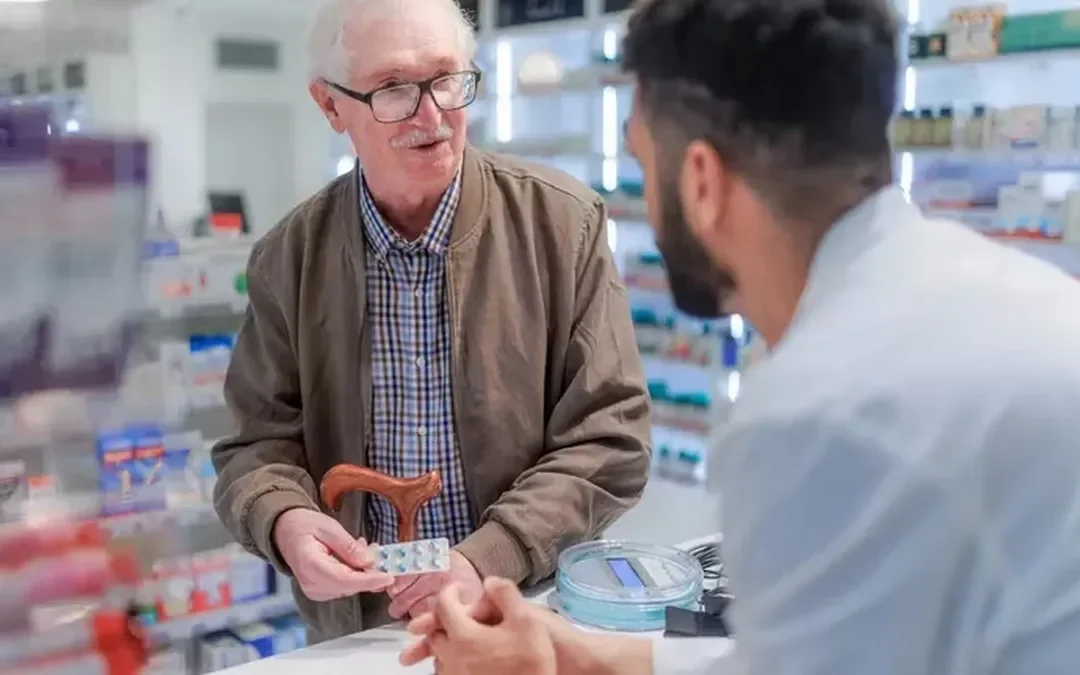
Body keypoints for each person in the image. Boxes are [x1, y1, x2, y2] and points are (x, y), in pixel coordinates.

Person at [400, 0, 1080, 673]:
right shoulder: (987, 291)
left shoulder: (820, 409)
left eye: (642, 160)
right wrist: (583, 653)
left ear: (701, 181)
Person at [210, 0, 652, 644]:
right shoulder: (288, 258)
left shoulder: (563, 226)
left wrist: (487, 558)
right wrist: (285, 521)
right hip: (357, 633)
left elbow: (610, 439)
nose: (433, 115)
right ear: (331, 106)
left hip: (521, 613)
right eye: (393, 88)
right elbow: (254, 447)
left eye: (447, 78)